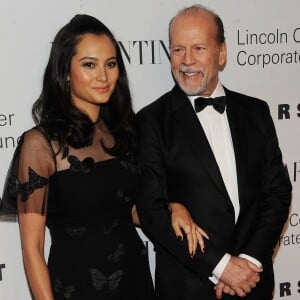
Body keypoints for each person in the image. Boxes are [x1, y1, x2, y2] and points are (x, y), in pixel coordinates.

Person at [0, 14, 208, 300]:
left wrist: (172, 208)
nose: (103, 76)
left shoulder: (125, 132)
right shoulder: (41, 145)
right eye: (89, 65)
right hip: (77, 286)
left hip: (134, 280)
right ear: (65, 72)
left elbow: (131, 211)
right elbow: (32, 249)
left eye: (111, 64)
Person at [135, 4, 292, 300]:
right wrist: (221, 268)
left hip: (253, 285)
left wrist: (250, 262)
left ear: (221, 53)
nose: (187, 61)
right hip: (188, 289)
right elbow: (152, 212)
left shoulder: (256, 112)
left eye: (198, 48)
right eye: (178, 49)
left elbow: (277, 193)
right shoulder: (150, 121)